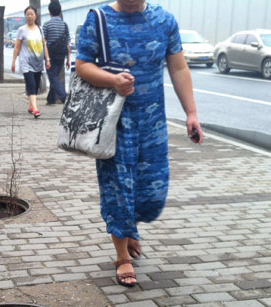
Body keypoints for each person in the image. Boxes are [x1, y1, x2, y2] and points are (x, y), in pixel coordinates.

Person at [75, 0, 204, 287]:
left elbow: (179, 68)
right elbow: (82, 65)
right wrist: (112, 80)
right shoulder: (99, 19)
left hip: (152, 124)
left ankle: (129, 227)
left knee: (151, 189)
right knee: (118, 187)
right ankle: (122, 256)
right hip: (115, 123)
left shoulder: (164, 20)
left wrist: (191, 113)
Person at [11, 6, 51, 118]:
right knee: (31, 85)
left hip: (38, 63)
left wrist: (47, 59)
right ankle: (35, 109)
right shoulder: (22, 30)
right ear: (25, 16)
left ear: (35, 16)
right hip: (26, 62)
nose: (30, 16)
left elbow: (44, 45)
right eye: (27, 14)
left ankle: (30, 105)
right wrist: (14, 61)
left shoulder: (40, 29)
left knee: (36, 85)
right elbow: (17, 47)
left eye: (32, 14)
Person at [42, 1, 70, 105]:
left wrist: (47, 58)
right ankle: (51, 99)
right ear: (59, 10)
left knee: (53, 77)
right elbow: (68, 43)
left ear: (49, 12)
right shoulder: (64, 25)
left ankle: (64, 97)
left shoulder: (46, 25)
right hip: (61, 54)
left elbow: (44, 43)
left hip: (50, 54)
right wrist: (68, 59)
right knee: (55, 76)